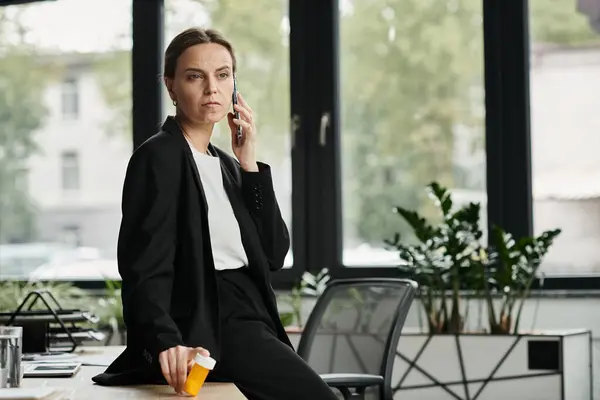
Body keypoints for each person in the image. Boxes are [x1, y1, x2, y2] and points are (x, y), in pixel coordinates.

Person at [91, 28, 338, 400]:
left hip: (254, 318)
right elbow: (144, 267)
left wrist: (249, 163)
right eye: (195, 76)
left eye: (223, 75)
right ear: (171, 86)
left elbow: (273, 252)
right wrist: (166, 342)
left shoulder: (226, 165)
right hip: (214, 324)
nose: (212, 88)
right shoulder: (157, 157)